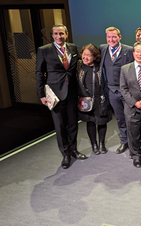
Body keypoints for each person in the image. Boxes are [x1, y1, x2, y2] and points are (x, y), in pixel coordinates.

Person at [35, 24, 86, 169]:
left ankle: (74, 149)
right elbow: (39, 73)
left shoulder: (73, 48)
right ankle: (65, 154)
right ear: (52, 35)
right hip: (54, 94)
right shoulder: (44, 51)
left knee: (73, 123)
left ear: (67, 34)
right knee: (60, 125)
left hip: (72, 92)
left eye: (61, 34)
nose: (59, 36)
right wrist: (41, 94)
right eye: (56, 34)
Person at [100, 27, 134, 155]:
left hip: (127, 91)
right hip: (112, 91)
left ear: (120, 37)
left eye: (114, 37)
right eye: (108, 37)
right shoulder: (103, 49)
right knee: (120, 118)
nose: (111, 39)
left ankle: (134, 141)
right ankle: (124, 141)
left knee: (130, 117)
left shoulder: (129, 50)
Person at [77, 44, 112, 155]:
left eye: (89, 55)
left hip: (100, 99)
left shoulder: (100, 66)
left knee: (102, 122)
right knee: (90, 122)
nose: (85, 57)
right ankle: (94, 145)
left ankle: (102, 144)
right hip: (85, 100)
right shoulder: (79, 66)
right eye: (84, 54)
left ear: (95, 57)